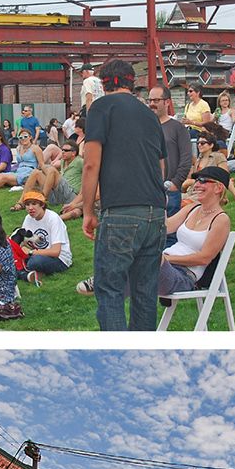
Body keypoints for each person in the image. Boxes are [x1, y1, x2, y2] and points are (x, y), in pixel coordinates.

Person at [81, 57, 167, 331]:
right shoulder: (149, 114)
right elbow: (161, 166)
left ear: (104, 83)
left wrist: (87, 211)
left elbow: (91, 162)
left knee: (110, 290)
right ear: (132, 83)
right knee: (144, 293)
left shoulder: (101, 107)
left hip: (120, 211)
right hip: (155, 211)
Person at [156, 166, 232, 304]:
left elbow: (204, 258)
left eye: (203, 181)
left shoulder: (221, 219)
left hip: (183, 275)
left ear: (218, 188)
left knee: (143, 259)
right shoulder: (192, 208)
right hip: (164, 263)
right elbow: (164, 227)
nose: (196, 184)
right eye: (196, 180)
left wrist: (167, 259)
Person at [149, 85, 193, 218]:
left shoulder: (178, 128)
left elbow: (186, 158)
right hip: (148, 190)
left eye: (156, 100)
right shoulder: (144, 128)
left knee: (170, 235)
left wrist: (176, 183)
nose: (152, 104)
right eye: (150, 100)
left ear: (167, 102)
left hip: (170, 190)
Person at [12, 189, 72, 286]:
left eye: (34, 204)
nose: (30, 208)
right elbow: (24, 243)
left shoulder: (53, 218)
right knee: (11, 260)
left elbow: (56, 252)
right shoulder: (28, 218)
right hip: (38, 254)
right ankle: (28, 274)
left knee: (34, 262)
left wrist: (31, 252)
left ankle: (29, 273)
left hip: (60, 259)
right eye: (27, 204)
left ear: (42, 204)